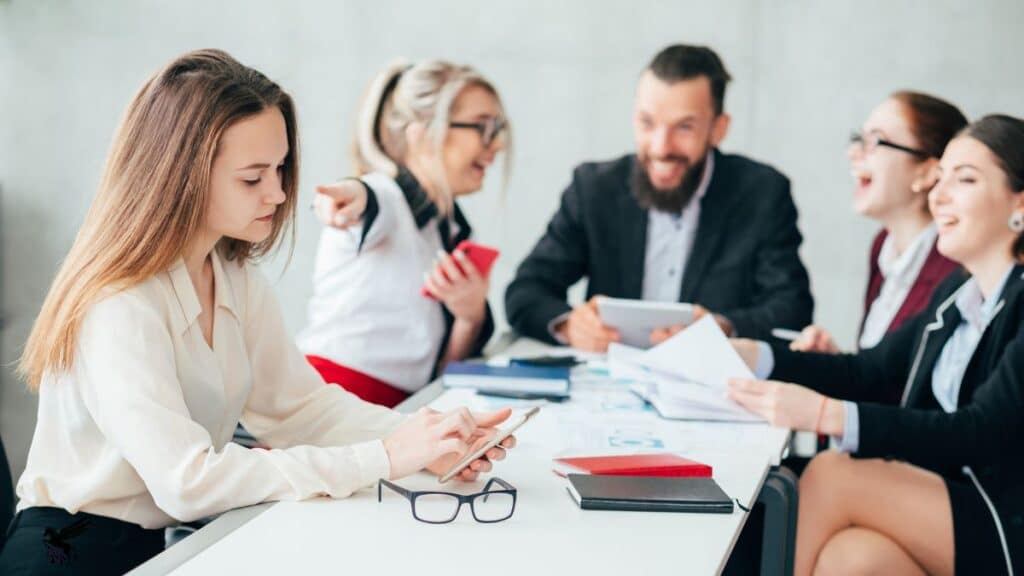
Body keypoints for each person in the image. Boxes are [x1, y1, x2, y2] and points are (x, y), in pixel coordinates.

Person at [0, 50, 514, 575]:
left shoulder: (233, 276)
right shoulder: (118, 303)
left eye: (281, 167)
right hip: (65, 556)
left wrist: (426, 439)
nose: (279, 191)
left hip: (160, 548)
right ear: (182, 177)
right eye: (253, 178)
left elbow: (300, 409)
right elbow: (188, 483)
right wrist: (386, 457)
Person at [728, 115, 1024, 575]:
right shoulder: (956, 295)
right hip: (952, 506)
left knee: (831, 474)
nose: (939, 195)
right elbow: (868, 371)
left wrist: (825, 414)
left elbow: (981, 433)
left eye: (964, 180)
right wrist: (755, 356)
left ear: (1019, 203)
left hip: (1007, 522)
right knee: (852, 560)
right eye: (940, 178)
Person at [504, 43, 813, 352]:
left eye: (684, 127)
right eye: (647, 123)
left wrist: (722, 329)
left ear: (718, 129)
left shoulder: (762, 193)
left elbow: (792, 309)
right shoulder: (594, 188)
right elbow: (525, 292)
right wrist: (569, 325)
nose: (660, 147)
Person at [299, 60, 509, 407]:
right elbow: (366, 197)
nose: (497, 144)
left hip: (399, 411)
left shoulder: (448, 229)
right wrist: (346, 197)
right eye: (482, 127)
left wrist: (469, 318)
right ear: (422, 134)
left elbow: (438, 374)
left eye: (497, 128)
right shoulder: (385, 197)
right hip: (332, 404)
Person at [791, 92, 965, 361]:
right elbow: (882, 375)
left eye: (875, 141)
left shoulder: (956, 266)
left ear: (928, 171)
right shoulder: (882, 244)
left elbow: (912, 390)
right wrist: (834, 363)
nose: (853, 153)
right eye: (858, 139)